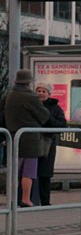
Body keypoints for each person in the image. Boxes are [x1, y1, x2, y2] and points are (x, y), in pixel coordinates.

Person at [4, 69, 50, 208]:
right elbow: (44, 116)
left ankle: (11, 199)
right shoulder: (30, 97)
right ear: (29, 82)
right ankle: (25, 198)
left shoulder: (9, 96)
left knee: (14, 171)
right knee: (28, 171)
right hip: (29, 138)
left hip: (12, 136)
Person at [35, 82, 66, 206]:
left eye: (44, 91)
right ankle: (31, 200)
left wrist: (47, 119)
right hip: (32, 142)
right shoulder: (32, 105)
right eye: (39, 90)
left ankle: (45, 201)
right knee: (31, 172)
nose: (41, 93)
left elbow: (62, 125)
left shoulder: (55, 108)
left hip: (48, 144)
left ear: (49, 94)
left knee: (45, 173)